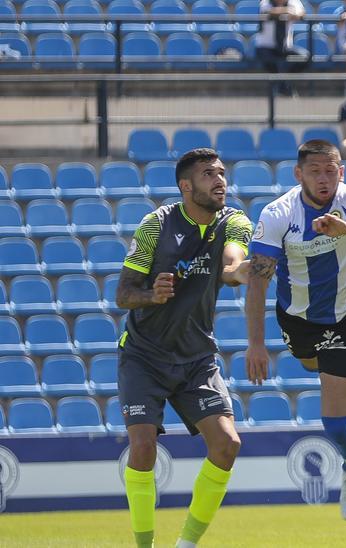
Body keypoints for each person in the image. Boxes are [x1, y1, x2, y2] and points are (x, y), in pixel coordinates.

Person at [244, 139, 346, 522]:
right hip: (295, 317)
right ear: (298, 174)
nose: (323, 178)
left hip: (343, 317)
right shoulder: (278, 214)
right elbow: (257, 281)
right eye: (314, 171)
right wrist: (256, 344)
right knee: (308, 366)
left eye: (330, 170)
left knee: (335, 424)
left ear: (342, 172)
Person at [116, 148, 251, 548]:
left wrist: (238, 270)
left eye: (222, 172)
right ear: (186, 186)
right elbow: (124, 294)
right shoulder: (155, 225)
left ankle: (186, 544)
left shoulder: (235, 221)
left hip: (196, 358)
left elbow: (232, 261)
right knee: (143, 448)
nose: (220, 180)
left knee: (228, 445)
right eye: (209, 174)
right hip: (144, 355)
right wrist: (150, 295)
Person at [254, 0, 306, 79]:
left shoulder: (293, 2)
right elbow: (267, 11)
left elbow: (301, 13)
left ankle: (284, 83)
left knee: (304, 57)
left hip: (285, 47)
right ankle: (283, 86)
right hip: (265, 47)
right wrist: (288, 11)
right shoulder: (266, 2)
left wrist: (294, 13)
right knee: (273, 63)